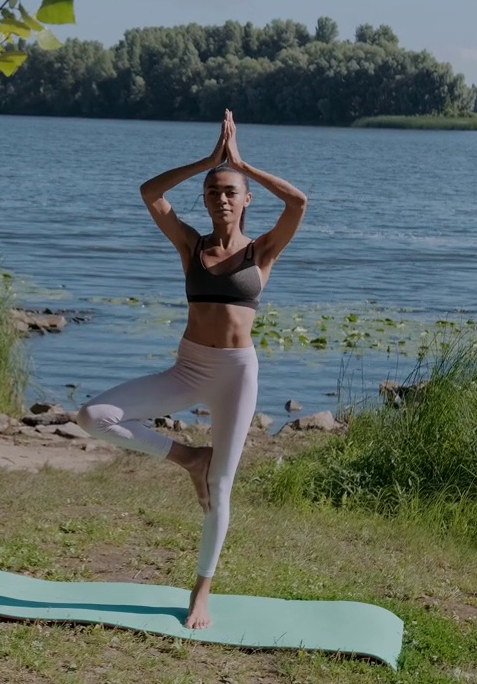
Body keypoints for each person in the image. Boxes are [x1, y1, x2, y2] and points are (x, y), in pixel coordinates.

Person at [75, 110, 308, 629]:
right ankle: (187, 457)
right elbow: (149, 192)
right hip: (189, 366)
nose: (221, 198)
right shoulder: (191, 245)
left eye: (230, 191)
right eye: (212, 192)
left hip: (237, 374)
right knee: (93, 414)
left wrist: (243, 163)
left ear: (246, 200)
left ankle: (201, 591)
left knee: (222, 488)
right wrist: (206, 160)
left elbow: (298, 202)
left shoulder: (262, 250)